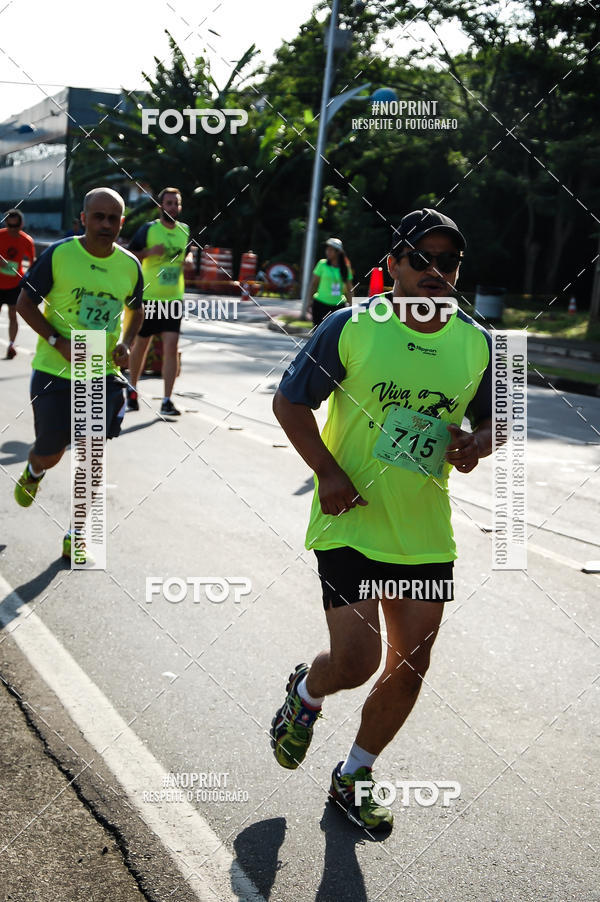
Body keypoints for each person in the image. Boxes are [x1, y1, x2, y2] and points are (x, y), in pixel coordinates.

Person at [270, 208, 494, 832]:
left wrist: (479, 443)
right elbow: (289, 404)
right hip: (353, 521)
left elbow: (497, 419)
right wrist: (329, 473)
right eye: (420, 259)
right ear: (391, 264)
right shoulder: (352, 327)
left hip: (424, 530)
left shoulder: (474, 342)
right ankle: (307, 694)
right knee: (358, 662)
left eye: (447, 263)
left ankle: (355, 774)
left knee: (412, 663)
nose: (434, 272)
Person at [13, 187, 144, 561]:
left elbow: (137, 310)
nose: (106, 224)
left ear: (121, 222)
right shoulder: (60, 255)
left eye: (113, 218)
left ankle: (78, 532)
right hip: (55, 371)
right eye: (98, 216)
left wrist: (128, 344)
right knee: (51, 451)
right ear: (84, 219)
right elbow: (25, 302)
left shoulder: (129, 265)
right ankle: (34, 471)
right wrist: (57, 340)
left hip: (100, 374)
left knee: (91, 455)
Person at [126, 187, 190, 416]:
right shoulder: (149, 229)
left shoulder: (185, 231)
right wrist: (149, 251)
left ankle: (166, 400)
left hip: (173, 299)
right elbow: (129, 255)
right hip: (149, 298)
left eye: (177, 203)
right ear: (161, 206)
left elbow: (187, 253)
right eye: (169, 202)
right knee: (141, 345)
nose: (173, 206)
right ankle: (132, 390)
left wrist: (188, 260)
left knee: (171, 347)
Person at [0, 209, 36, 359]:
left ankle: (11, 344)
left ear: (21, 225)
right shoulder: (1, 235)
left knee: (12, 315)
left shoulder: (26, 240)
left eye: (15, 226)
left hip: (15, 285)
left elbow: (33, 263)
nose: (12, 229)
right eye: (9, 225)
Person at [309, 237, 353, 328]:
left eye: (331, 250)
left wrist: (352, 307)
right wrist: (309, 301)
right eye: (327, 249)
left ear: (338, 252)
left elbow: (349, 289)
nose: (327, 252)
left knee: (335, 333)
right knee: (318, 332)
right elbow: (314, 284)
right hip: (320, 304)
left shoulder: (345, 268)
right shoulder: (322, 264)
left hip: (338, 306)